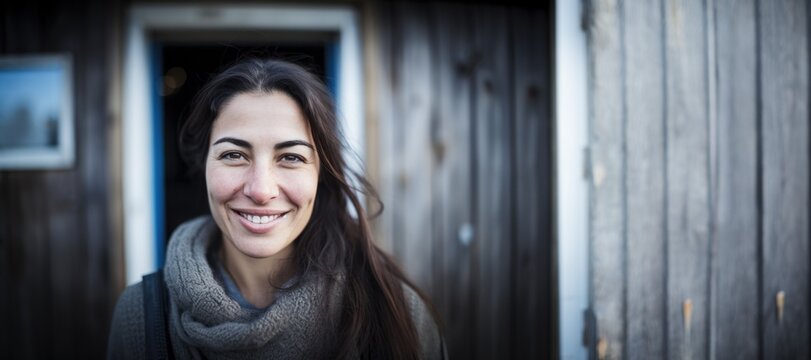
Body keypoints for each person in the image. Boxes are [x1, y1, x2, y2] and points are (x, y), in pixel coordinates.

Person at [107, 58, 444, 359]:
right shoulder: (141, 317)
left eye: (291, 158)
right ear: (204, 165)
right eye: (234, 155)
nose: (261, 190)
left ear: (320, 175)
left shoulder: (397, 314)